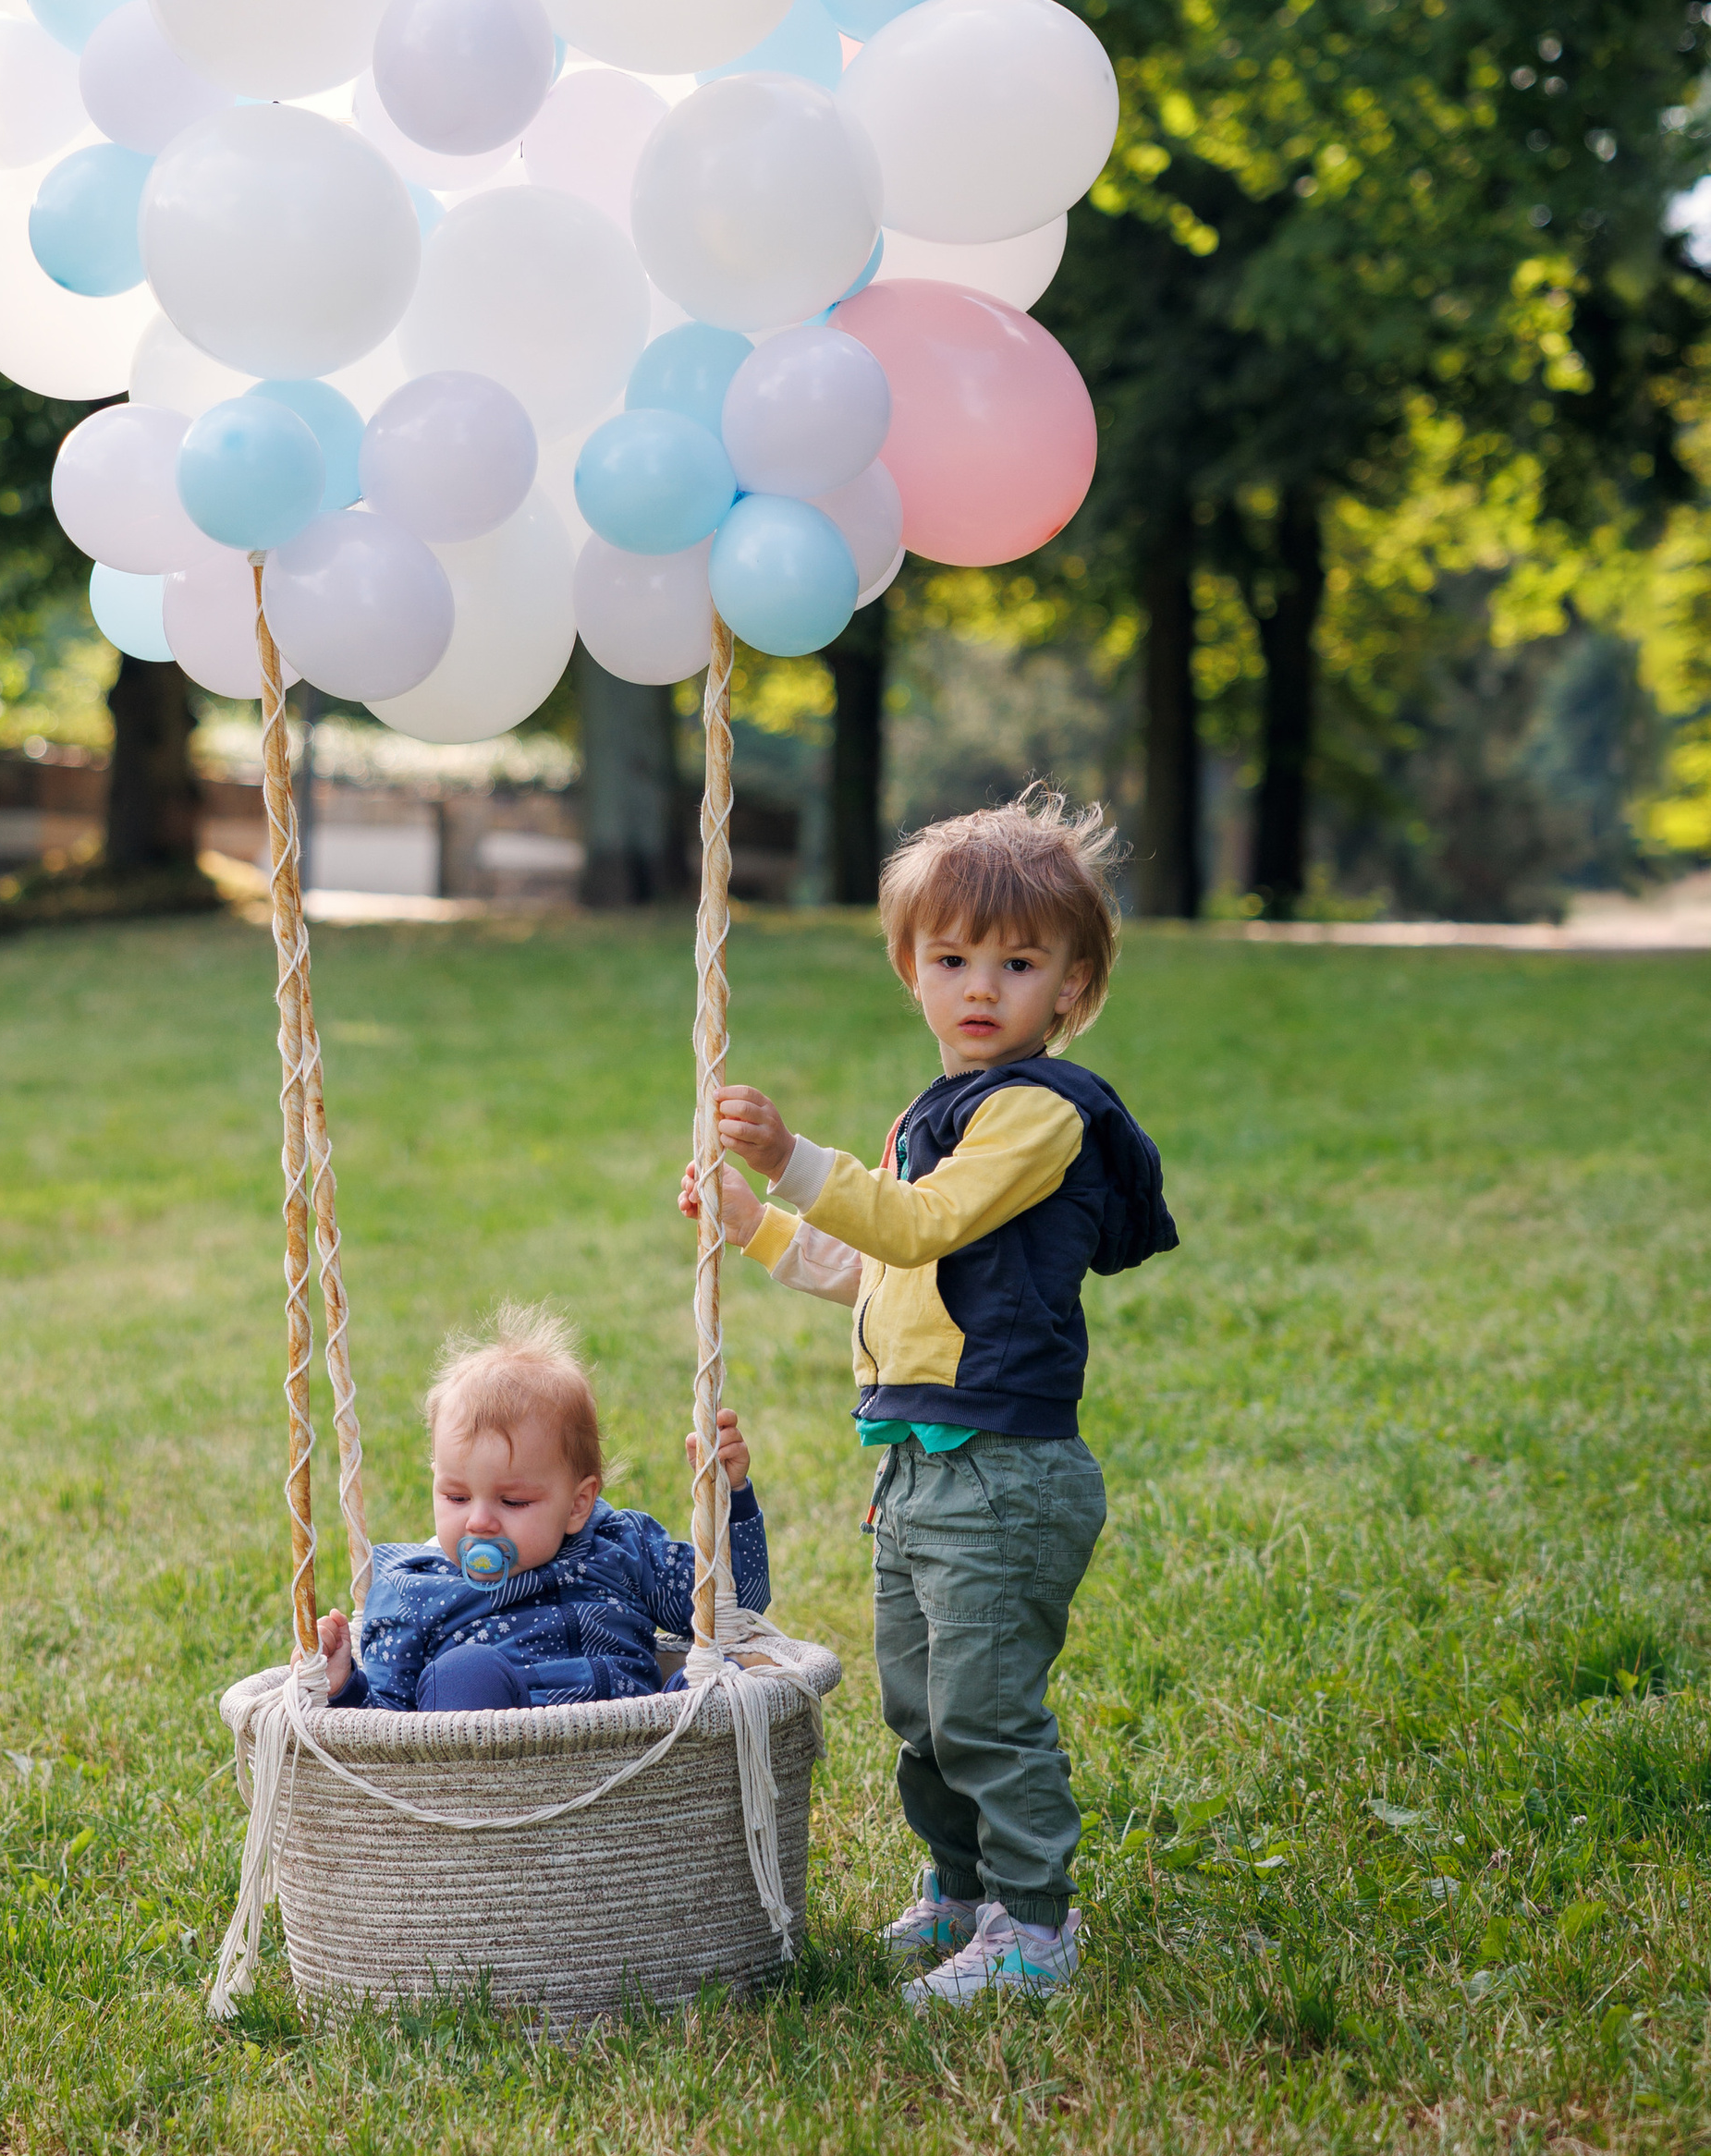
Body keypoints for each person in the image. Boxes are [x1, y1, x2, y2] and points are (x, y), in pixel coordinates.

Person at [680, 786, 1176, 2008]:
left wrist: (794, 1158)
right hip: (917, 1469)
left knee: (982, 1710)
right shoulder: (934, 1113)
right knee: (920, 1706)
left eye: (1019, 963)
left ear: (1071, 984)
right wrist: (755, 1222)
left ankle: (1035, 1924)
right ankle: (960, 1890)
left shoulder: (1038, 1114)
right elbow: (878, 1264)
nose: (981, 987)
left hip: (1003, 1474)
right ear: (910, 969)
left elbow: (920, 1223)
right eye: (951, 959)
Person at [318, 1301, 771, 1711]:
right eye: (456, 1497)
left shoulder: (622, 1548)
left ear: (578, 1504)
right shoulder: (413, 1592)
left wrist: (728, 1498)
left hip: (637, 1740)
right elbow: (386, 1727)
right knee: (464, 1672)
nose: (479, 1521)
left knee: (737, 1677)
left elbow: (736, 1604)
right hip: (493, 1755)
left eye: (513, 1501)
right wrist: (344, 1687)